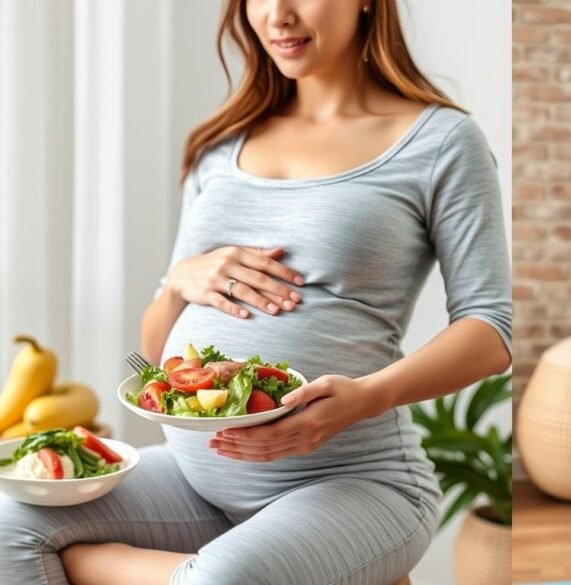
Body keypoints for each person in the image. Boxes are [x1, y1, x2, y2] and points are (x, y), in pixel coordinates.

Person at [0, 1, 511, 584]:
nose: (278, 15)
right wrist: (179, 284)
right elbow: (156, 352)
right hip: (197, 483)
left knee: (219, 580)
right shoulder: (219, 147)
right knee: (8, 521)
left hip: (356, 483)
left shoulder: (441, 140)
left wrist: (366, 397)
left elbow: (492, 326)